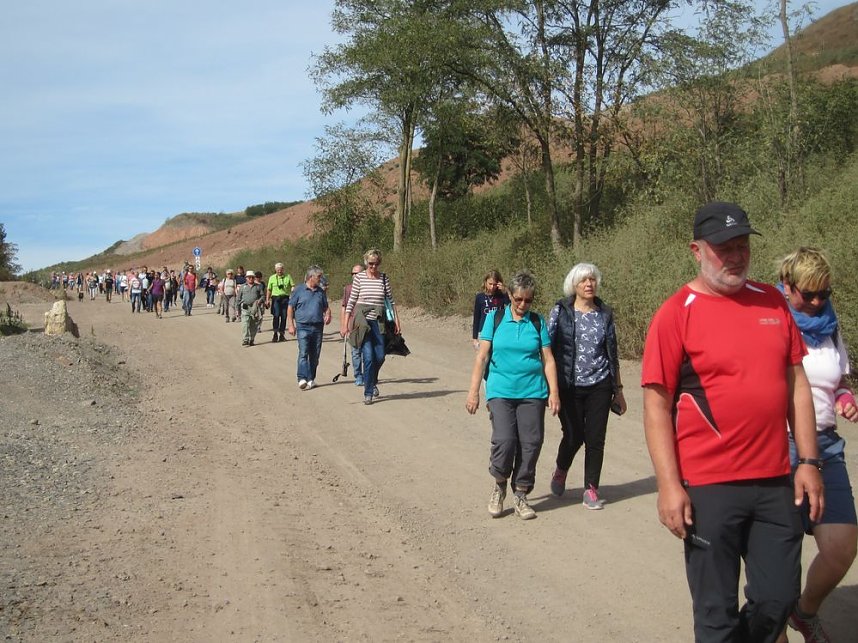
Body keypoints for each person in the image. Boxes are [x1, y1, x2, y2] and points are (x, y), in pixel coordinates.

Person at [641, 202, 823, 642]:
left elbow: (797, 384)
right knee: (715, 614)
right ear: (697, 250)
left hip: (776, 480)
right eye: (724, 248)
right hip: (709, 488)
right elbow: (655, 406)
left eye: (742, 245)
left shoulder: (773, 302)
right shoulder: (676, 313)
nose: (736, 256)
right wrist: (669, 485)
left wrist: (809, 462)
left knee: (778, 599)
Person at [775, 248, 857, 643]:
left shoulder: (831, 326)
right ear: (787, 286)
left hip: (826, 444)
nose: (817, 302)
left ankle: (803, 612)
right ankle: (771, 627)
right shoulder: (771, 319)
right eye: (808, 294)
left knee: (841, 547)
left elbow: (837, 379)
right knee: (779, 553)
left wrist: (844, 397)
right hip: (779, 444)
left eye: (824, 293)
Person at [465, 270, 560, 521]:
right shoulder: (495, 319)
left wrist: (554, 393)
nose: (522, 305)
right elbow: (482, 356)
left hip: (533, 392)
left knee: (531, 443)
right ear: (510, 295)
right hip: (500, 391)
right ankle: (499, 484)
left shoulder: (537, 322)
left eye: (528, 300)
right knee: (505, 441)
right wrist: (474, 392)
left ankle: (521, 493)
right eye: (518, 299)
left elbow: (548, 360)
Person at [547, 263, 625, 509]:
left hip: (599, 385)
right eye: (584, 281)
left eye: (592, 280)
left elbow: (612, 352)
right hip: (569, 385)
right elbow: (546, 348)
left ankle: (591, 489)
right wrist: (550, 388)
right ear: (574, 285)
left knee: (595, 439)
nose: (589, 284)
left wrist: (618, 390)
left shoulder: (605, 313)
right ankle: (561, 469)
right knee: (573, 435)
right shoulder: (561, 311)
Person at [341, 249, 401, 405]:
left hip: (379, 321)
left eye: (376, 263)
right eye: (370, 263)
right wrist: (346, 324)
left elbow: (391, 301)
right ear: (366, 263)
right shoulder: (359, 278)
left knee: (380, 356)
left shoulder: (383, 278)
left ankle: (372, 380)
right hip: (362, 322)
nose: (373, 267)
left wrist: (396, 321)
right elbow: (351, 303)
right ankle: (368, 392)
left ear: (379, 263)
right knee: (367, 357)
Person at [287, 265, 332, 390]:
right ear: (311, 277)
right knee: (303, 352)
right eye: (319, 277)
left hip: (318, 327)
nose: (320, 279)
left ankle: (311, 378)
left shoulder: (320, 292)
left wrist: (328, 314)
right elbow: (290, 307)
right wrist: (291, 325)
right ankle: (302, 378)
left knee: (315, 354)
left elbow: (325, 307)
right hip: (303, 326)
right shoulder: (298, 290)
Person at [341, 263, 366, 387]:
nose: (354, 276)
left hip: (368, 324)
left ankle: (368, 375)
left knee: (367, 352)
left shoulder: (369, 288)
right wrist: (343, 326)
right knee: (356, 352)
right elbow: (345, 307)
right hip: (353, 325)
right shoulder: (348, 289)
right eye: (353, 273)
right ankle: (358, 375)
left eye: (357, 273)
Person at [472, 269, 509, 349]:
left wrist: (504, 291)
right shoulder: (480, 297)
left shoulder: (501, 296)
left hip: (499, 330)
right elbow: (476, 317)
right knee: (484, 358)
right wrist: (475, 338)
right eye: (490, 284)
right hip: (483, 332)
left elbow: (511, 306)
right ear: (485, 282)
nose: (492, 287)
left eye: (495, 284)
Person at [267, 262, 295, 343]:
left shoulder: (288, 276)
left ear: (283, 269)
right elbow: (269, 289)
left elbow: (292, 285)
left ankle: (282, 334)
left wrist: (292, 290)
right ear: (275, 270)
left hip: (285, 298)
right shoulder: (272, 278)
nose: (279, 271)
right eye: (278, 270)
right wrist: (267, 300)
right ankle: (275, 333)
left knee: (284, 316)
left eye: (281, 269)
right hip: (275, 298)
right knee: (276, 316)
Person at [236, 270, 265, 346]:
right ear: (246, 278)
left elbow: (263, 296)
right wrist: (237, 310)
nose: (251, 279)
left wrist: (259, 300)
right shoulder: (242, 287)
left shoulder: (258, 287)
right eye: (249, 277)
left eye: (252, 277)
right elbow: (238, 299)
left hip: (254, 309)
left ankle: (251, 339)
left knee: (253, 325)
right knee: (245, 324)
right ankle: (245, 339)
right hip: (245, 308)